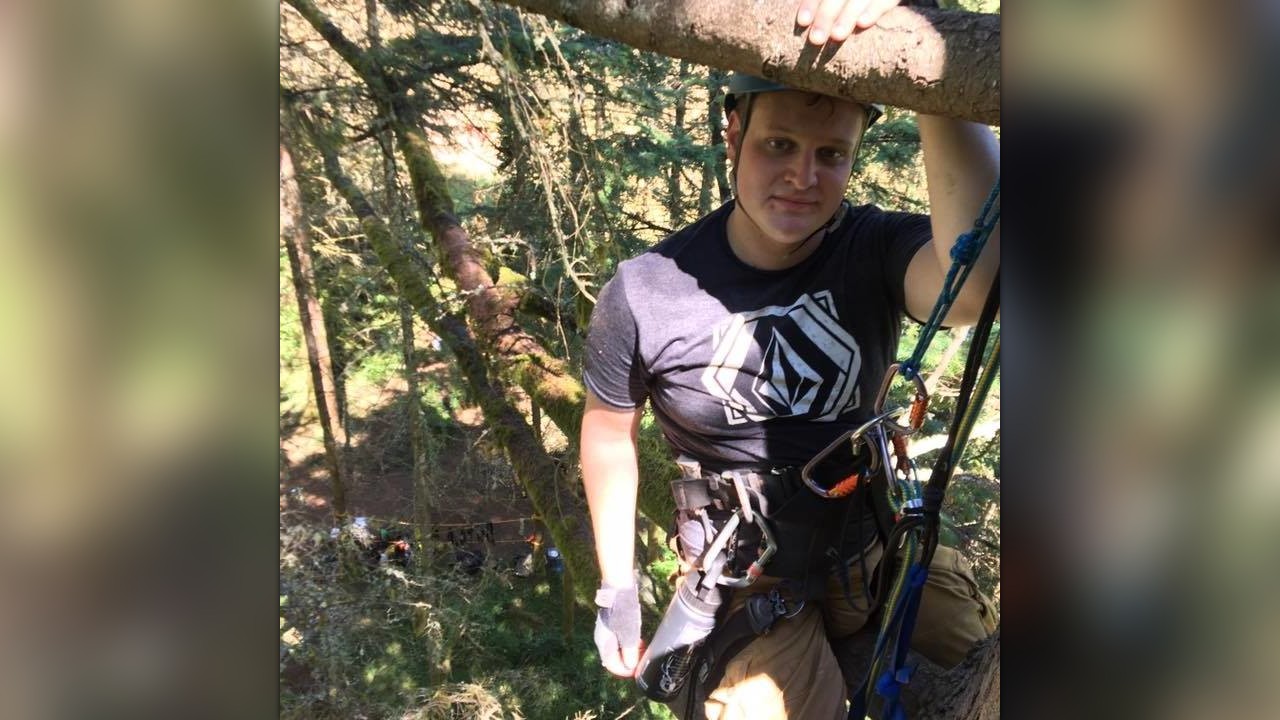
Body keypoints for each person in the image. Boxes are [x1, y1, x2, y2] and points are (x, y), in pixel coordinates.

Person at [581, 3, 999, 717]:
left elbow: (975, 285)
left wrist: (931, 59)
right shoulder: (647, 291)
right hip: (751, 578)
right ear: (733, 135)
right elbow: (608, 431)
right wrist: (616, 584)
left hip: (878, 547)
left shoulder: (872, 248)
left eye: (831, 154)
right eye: (779, 145)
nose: (803, 176)